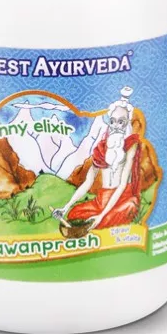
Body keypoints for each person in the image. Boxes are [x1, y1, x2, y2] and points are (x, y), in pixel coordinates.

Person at [53, 87, 141, 229]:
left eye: (121, 122)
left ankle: (101, 220)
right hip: (102, 200)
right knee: (74, 213)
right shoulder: (101, 149)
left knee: (128, 208)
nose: (116, 126)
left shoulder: (131, 145)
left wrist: (101, 216)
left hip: (122, 198)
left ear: (127, 124)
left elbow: (123, 185)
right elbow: (88, 182)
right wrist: (65, 207)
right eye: (113, 121)